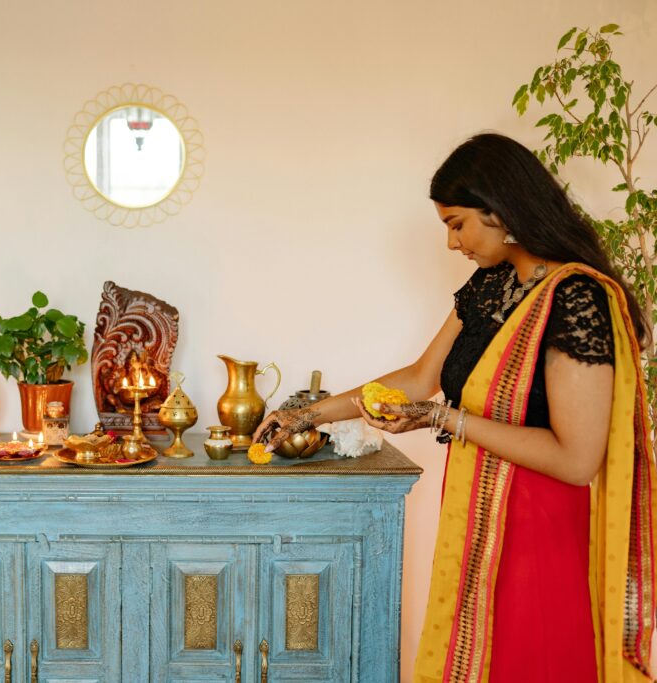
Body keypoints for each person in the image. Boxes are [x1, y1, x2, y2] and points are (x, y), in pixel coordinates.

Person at [254, 133, 656, 683]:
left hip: (540, 531)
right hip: (481, 510)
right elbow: (423, 377)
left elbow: (576, 458)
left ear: (501, 211)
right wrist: (311, 413)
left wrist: (447, 419)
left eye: (456, 224)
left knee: (528, 661)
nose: (451, 243)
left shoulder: (575, 297)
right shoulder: (492, 284)